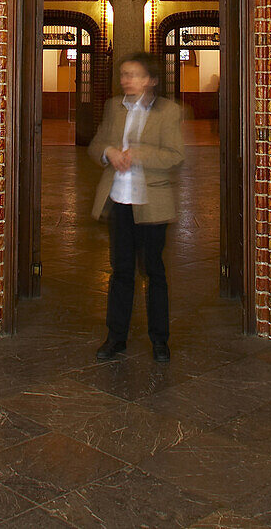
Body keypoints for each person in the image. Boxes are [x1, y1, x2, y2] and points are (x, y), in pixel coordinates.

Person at [89, 52, 184, 362]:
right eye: (124, 74)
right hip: (119, 202)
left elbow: (175, 156)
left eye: (133, 74)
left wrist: (141, 153)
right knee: (121, 272)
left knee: (154, 272)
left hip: (152, 204)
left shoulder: (168, 112)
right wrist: (108, 152)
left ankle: (160, 340)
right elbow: (95, 144)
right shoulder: (113, 108)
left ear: (151, 80)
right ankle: (116, 338)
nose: (126, 80)